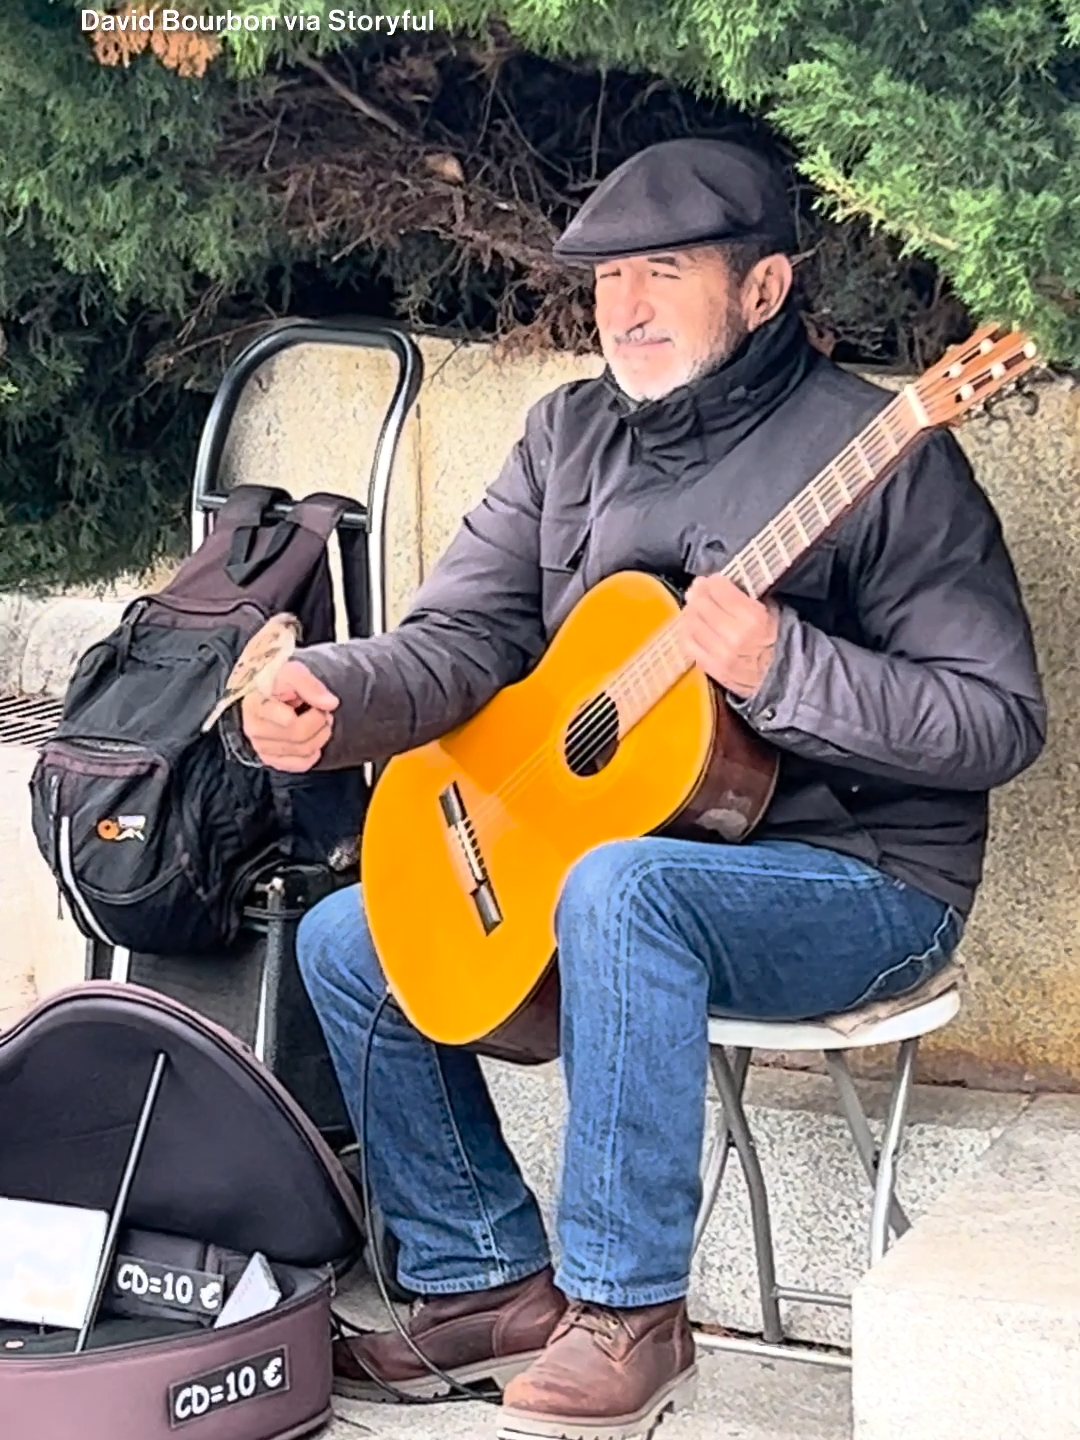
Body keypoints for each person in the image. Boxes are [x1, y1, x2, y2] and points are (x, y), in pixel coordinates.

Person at [239, 138, 1046, 1437]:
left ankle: (629, 1314)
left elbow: (997, 721)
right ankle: (482, 1279)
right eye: (611, 277)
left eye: (665, 272)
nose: (625, 306)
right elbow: (463, 638)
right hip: (640, 857)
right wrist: (337, 693)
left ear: (765, 288)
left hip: (864, 877)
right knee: (354, 936)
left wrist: (784, 667)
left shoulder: (888, 456)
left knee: (626, 890)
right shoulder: (568, 437)